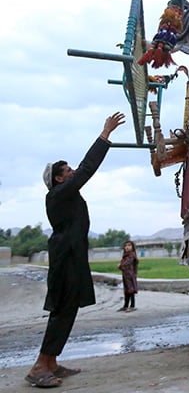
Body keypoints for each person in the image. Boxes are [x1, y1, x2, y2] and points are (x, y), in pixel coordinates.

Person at [25, 112, 125, 388]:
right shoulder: (59, 194)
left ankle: (52, 362)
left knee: (69, 309)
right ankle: (38, 367)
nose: (72, 174)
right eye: (66, 172)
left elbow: (81, 173)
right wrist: (104, 135)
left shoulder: (64, 194)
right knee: (62, 310)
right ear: (58, 179)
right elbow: (87, 169)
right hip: (65, 259)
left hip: (72, 256)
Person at [117, 240, 139, 312]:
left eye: (129, 245)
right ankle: (125, 305)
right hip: (126, 276)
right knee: (126, 291)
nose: (127, 247)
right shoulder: (125, 256)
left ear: (132, 247)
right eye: (126, 246)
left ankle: (132, 305)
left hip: (130, 276)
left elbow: (127, 263)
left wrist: (120, 265)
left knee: (131, 290)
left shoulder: (132, 255)